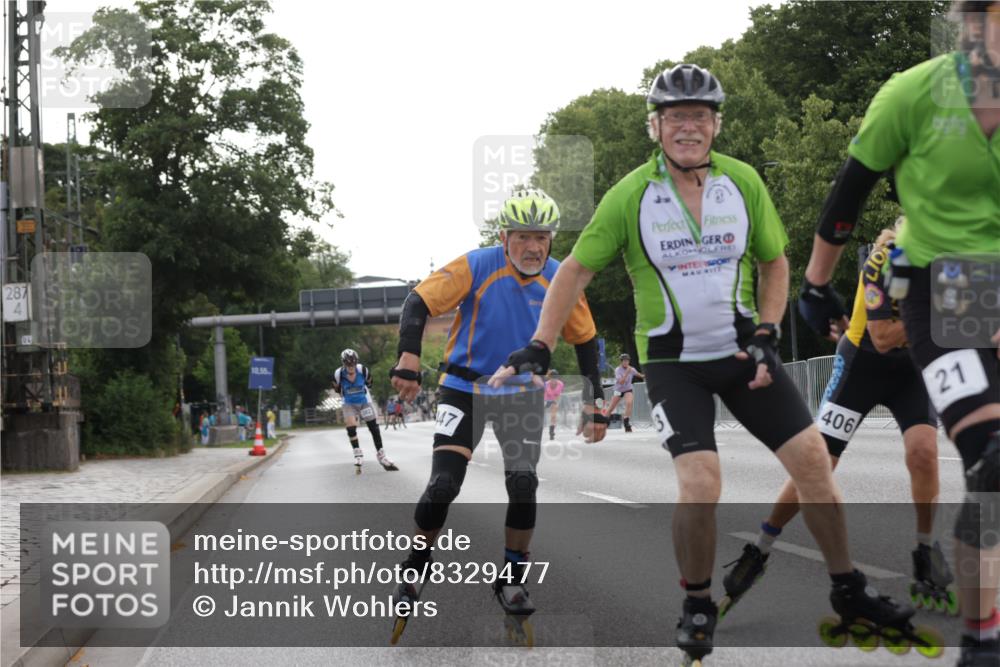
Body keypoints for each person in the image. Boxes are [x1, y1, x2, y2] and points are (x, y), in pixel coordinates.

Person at [495, 63, 920, 664]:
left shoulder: (743, 182)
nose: (687, 127)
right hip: (675, 365)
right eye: (675, 117)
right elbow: (575, 270)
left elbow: (776, 262)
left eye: (699, 116)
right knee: (701, 484)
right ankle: (697, 601)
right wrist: (541, 343)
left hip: (745, 353)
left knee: (814, 465)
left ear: (715, 124)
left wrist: (771, 329)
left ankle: (848, 590)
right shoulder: (631, 195)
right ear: (655, 126)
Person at [796, 4, 1000, 663]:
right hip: (945, 283)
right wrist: (817, 285)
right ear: (970, 26)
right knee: (992, 460)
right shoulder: (912, 94)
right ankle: (983, 641)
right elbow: (847, 196)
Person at [388, 188, 607, 641]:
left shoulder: (559, 276)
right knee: (444, 483)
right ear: (504, 236)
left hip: (521, 394)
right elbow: (418, 302)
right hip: (463, 388)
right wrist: (409, 357)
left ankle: (512, 578)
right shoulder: (477, 265)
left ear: (550, 239)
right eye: (523, 237)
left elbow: (585, 339)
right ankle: (415, 564)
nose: (532, 247)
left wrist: (593, 402)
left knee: (523, 484)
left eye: (542, 237)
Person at [722, 223, 955, 617]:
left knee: (924, 453)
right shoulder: (885, 260)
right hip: (861, 368)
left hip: (909, 372)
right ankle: (759, 548)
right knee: (818, 465)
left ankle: (924, 548)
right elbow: (883, 337)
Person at [333, 348, 397, 473]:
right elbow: (336, 389)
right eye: (348, 364)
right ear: (344, 363)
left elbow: (370, 384)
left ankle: (381, 455)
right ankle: (357, 453)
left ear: (356, 362)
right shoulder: (338, 374)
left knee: (373, 427)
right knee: (351, 426)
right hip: (349, 403)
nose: (351, 366)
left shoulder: (363, 370)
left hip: (364, 401)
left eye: (353, 363)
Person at [605, 353, 645, 432]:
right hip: (618, 390)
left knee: (629, 402)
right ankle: (604, 422)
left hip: (628, 389)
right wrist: (627, 373)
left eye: (627, 361)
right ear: (621, 362)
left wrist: (647, 375)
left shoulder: (631, 369)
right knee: (611, 407)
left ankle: (626, 421)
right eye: (624, 361)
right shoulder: (617, 370)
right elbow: (621, 382)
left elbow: (639, 375)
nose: (626, 362)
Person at [544, 370, 565, 440]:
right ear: (550, 378)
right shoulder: (546, 384)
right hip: (545, 399)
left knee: (553, 415)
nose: (554, 380)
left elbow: (558, 395)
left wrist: (556, 403)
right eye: (552, 378)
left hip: (554, 399)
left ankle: (551, 431)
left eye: (555, 378)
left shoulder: (560, 384)